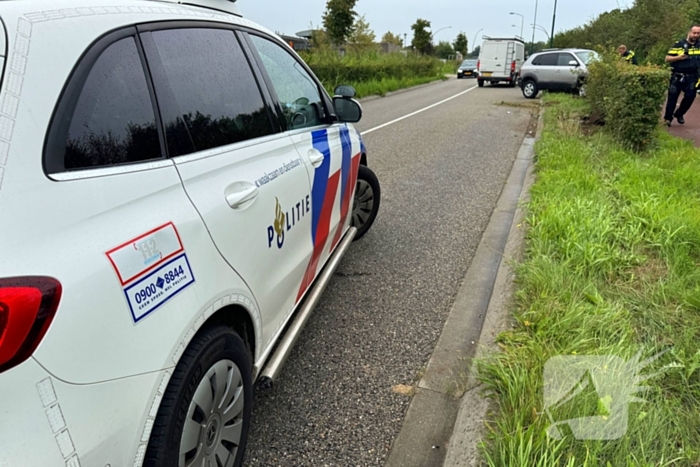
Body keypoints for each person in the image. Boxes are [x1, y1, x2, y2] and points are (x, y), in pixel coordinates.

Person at [663, 24, 700, 126]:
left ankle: (679, 113)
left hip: (692, 76)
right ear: (689, 33)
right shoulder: (679, 44)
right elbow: (667, 58)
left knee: (690, 97)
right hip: (677, 75)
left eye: (698, 33)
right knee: (673, 98)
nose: (696, 35)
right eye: (694, 33)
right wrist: (679, 57)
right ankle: (667, 119)